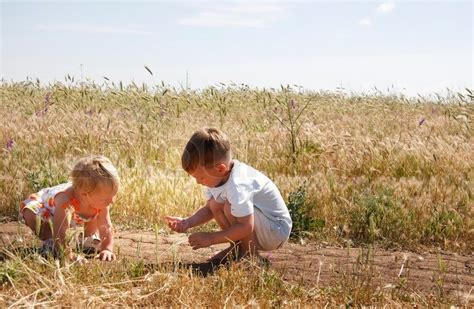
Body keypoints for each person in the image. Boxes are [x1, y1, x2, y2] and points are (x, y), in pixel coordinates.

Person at [165, 128, 292, 262]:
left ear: (220, 168)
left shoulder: (238, 184)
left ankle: (250, 255)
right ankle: (237, 248)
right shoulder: (217, 178)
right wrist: (187, 222)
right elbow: (209, 209)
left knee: (230, 206)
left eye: (201, 178)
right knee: (215, 204)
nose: (197, 182)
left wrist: (211, 238)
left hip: (275, 230)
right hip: (260, 227)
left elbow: (245, 226)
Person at [19, 155, 120, 261]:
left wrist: (107, 249)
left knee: (98, 211)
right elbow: (61, 229)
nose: (111, 201)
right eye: (105, 199)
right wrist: (66, 252)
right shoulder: (65, 200)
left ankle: (87, 238)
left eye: (114, 195)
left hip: (83, 209)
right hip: (48, 210)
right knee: (30, 212)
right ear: (85, 195)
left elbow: (106, 226)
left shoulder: (101, 200)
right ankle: (50, 240)